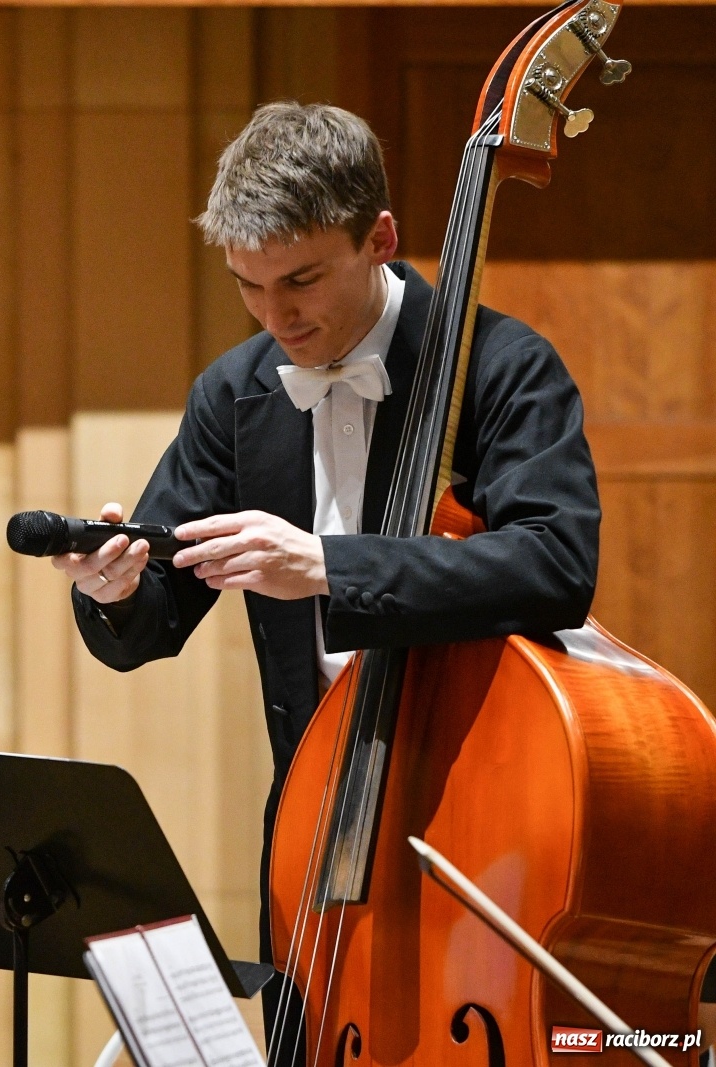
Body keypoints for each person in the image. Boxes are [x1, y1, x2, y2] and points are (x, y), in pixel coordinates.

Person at [49, 103, 598, 1052]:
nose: (276, 317)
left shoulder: (502, 366)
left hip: (481, 801)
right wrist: (115, 586)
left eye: (300, 279)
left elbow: (556, 563)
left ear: (378, 238)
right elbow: (158, 607)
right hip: (315, 820)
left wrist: (332, 566)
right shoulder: (236, 392)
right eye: (248, 286)